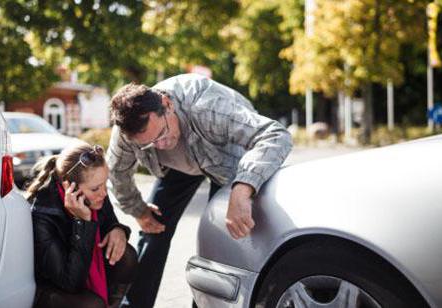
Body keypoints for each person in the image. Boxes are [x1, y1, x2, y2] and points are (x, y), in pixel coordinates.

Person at [107, 73, 293, 307]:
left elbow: (276, 134)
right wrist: (138, 209)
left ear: (167, 104)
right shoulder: (127, 131)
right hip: (175, 168)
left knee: (221, 237)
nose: (161, 145)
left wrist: (243, 187)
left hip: (225, 159)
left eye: (162, 133)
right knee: (153, 229)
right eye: (150, 143)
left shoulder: (208, 108)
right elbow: (116, 173)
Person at [26, 143, 137, 308]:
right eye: (95, 189)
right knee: (92, 305)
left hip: (79, 270)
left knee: (126, 255)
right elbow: (70, 282)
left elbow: (109, 221)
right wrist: (83, 221)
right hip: (49, 287)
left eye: (105, 184)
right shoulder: (42, 215)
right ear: (69, 187)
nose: (104, 193)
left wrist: (117, 229)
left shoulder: (96, 194)